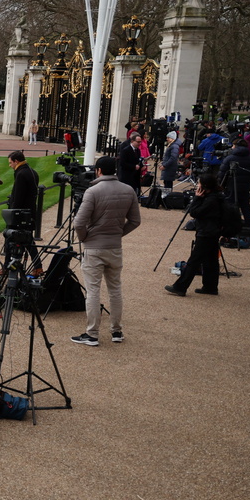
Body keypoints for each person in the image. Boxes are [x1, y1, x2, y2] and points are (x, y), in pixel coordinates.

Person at [72, 156, 141, 346]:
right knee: (115, 289)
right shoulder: (128, 190)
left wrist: (85, 237)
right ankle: (116, 331)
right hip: (114, 247)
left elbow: (78, 222)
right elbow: (135, 221)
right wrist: (118, 234)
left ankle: (92, 333)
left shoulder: (93, 191)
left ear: (98, 171)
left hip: (95, 246)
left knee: (93, 290)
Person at [165, 173, 224, 297]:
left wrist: (197, 198)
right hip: (213, 231)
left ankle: (180, 287)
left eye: (199, 184)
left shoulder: (210, 200)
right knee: (211, 260)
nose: (197, 185)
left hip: (206, 233)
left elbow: (194, 212)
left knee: (194, 260)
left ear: (205, 187)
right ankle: (210, 286)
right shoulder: (216, 197)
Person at [6, 151, 41, 271]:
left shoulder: (21, 174)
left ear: (16, 161)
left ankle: (7, 266)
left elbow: (18, 196)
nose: (10, 165)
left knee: (10, 239)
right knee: (29, 241)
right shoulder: (32, 172)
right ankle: (38, 266)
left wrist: (12, 216)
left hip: (21, 214)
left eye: (11, 163)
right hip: (29, 212)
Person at [218, 135, 250, 227]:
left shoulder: (230, 158)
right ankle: (249, 226)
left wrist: (221, 185)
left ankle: (230, 226)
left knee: (229, 207)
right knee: (245, 208)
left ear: (235, 146)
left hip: (231, 186)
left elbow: (222, 173)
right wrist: (249, 183)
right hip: (245, 186)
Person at [117, 132, 144, 197]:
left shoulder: (138, 150)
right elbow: (122, 163)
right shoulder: (125, 150)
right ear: (132, 141)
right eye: (138, 142)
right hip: (127, 175)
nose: (139, 144)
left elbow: (138, 161)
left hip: (135, 175)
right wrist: (133, 167)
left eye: (140, 142)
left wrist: (141, 166)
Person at [160, 129, 181, 194]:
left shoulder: (174, 146)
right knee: (167, 183)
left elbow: (173, 158)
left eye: (168, 138)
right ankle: (166, 196)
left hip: (169, 168)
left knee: (168, 184)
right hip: (169, 167)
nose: (167, 139)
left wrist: (165, 165)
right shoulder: (172, 145)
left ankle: (166, 197)